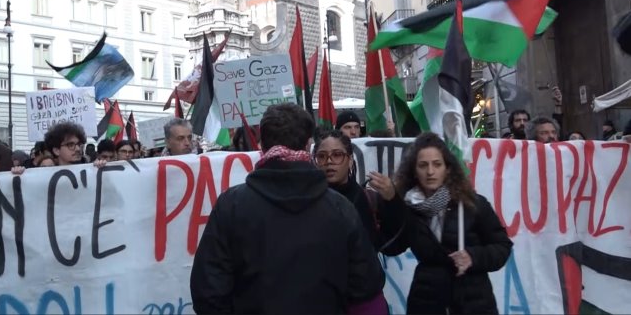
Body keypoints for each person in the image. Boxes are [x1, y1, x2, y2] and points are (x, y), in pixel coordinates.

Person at [190, 103, 384, 313]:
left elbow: (208, 291)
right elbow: (366, 290)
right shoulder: (341, 208)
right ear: (309, 144)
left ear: (261, 145)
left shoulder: (231, 206)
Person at [392, 132, 512, 314]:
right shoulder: (408, 208)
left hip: (473, 302)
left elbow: (502, 246)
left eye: (437, 164)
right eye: (423, 165)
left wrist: (473, 257)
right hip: (427, 301)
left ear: (448, 169)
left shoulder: (473, 204)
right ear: (414, 172)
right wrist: (388, 205)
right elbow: (392, 246)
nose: (430, 172)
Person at [314, 130, 404, 255]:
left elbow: (394, 245)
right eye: (322, 156)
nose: (329, 161)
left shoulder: (369, 200)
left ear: (350, 160)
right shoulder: (308, 201)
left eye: (337, 154)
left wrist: (393, 200)